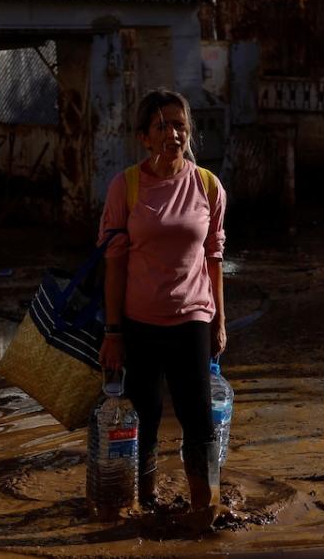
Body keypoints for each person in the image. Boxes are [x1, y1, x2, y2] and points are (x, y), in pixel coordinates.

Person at [97, 88, 227, 517]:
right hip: (139, 323)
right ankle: (143, 503)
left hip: (192, 318)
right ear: (144, 138)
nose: (172, 133)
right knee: (145, 420)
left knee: (200, 421)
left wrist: (219, 323)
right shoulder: (127, 187)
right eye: (161, 125)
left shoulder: (208, 186)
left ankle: (203, 511)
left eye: (179, 124)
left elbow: (213, 257)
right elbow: (113, 263)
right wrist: (113, 331)